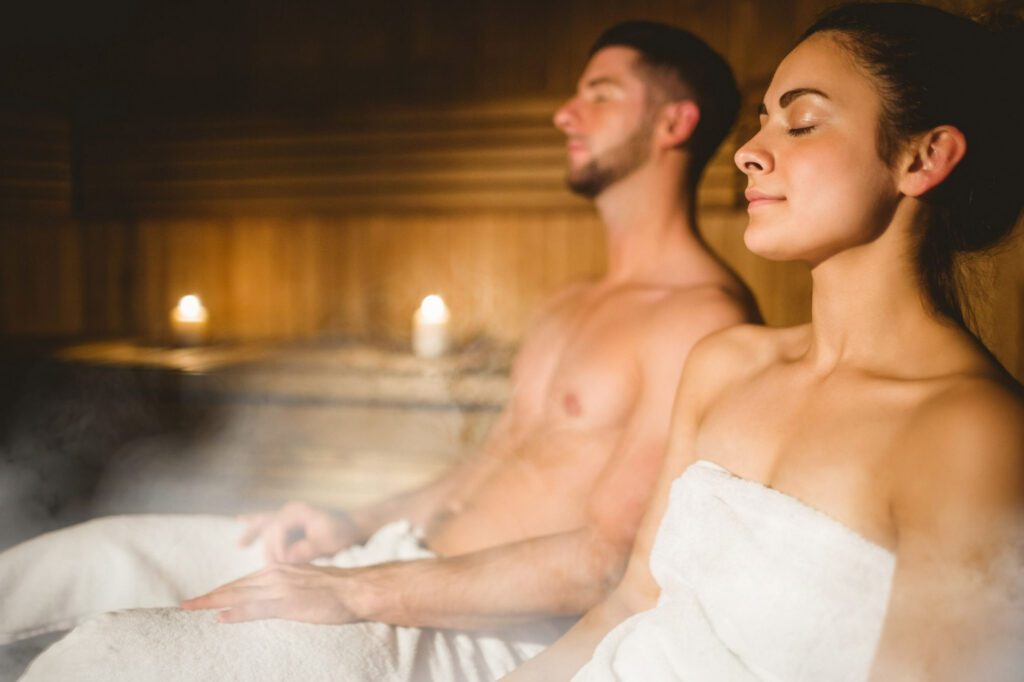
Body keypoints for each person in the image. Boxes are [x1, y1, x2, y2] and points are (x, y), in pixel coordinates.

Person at [3, 21, 757, 681]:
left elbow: (609, 561)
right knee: (79, 561)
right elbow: (492, 465)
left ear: (673, 122)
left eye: (599, 92)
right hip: (393, 561)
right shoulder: (572, 302)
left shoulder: (703, 322)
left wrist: (361, 592)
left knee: (109, 657)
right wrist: (352, 523)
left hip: (477, 625)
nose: (565, 112)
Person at [509, 4, 1024, 681]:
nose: (750, 152)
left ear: (923, 157)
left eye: (802, 123)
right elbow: (633, 603)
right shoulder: (726, 365)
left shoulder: (969, 435)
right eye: (761, 122)